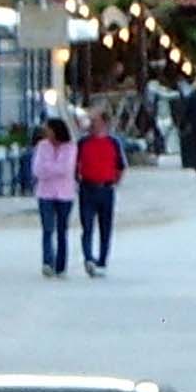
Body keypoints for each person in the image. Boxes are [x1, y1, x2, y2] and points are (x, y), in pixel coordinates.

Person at [76, 103, 127, 277]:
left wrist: (114, 182)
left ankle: (103, 260)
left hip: (106, 188)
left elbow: (120, 166)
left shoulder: (113, 142)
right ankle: (88, 258)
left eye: (94, 121)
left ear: (104, 123)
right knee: (87, 226)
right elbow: (76, 165)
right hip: (87, 187)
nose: (91, 124)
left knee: (105, 227)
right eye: (90, 120)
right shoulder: (82, 143)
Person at [31, 116, 77, 278]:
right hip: (45, 193)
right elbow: (37, 170)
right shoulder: (42, 146)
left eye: (48, 129)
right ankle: (47, 262)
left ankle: (61, 265)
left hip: (65, 194)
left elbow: (66, 169)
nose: (46, 132)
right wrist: (53, 169)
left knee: (62, 230)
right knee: (48, 229)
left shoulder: (70, 147)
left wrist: (49, 168)